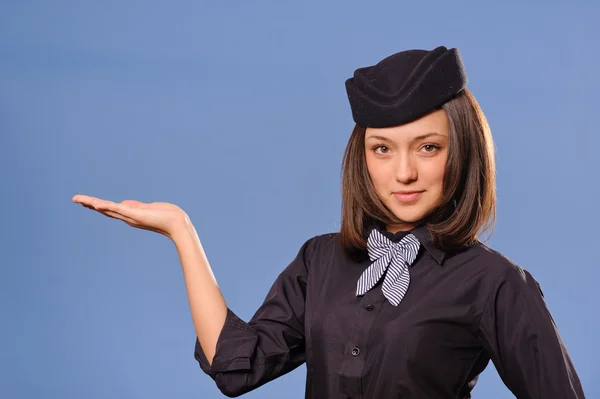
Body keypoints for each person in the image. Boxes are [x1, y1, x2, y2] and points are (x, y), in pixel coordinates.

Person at [72, 46, 586, 398]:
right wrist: (180, 231)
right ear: (361, 158)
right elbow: (235, 365)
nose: (403, 172)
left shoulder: (494, 282)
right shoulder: (321, 260)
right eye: (382, 149)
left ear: (463, 152)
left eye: (428, 148)